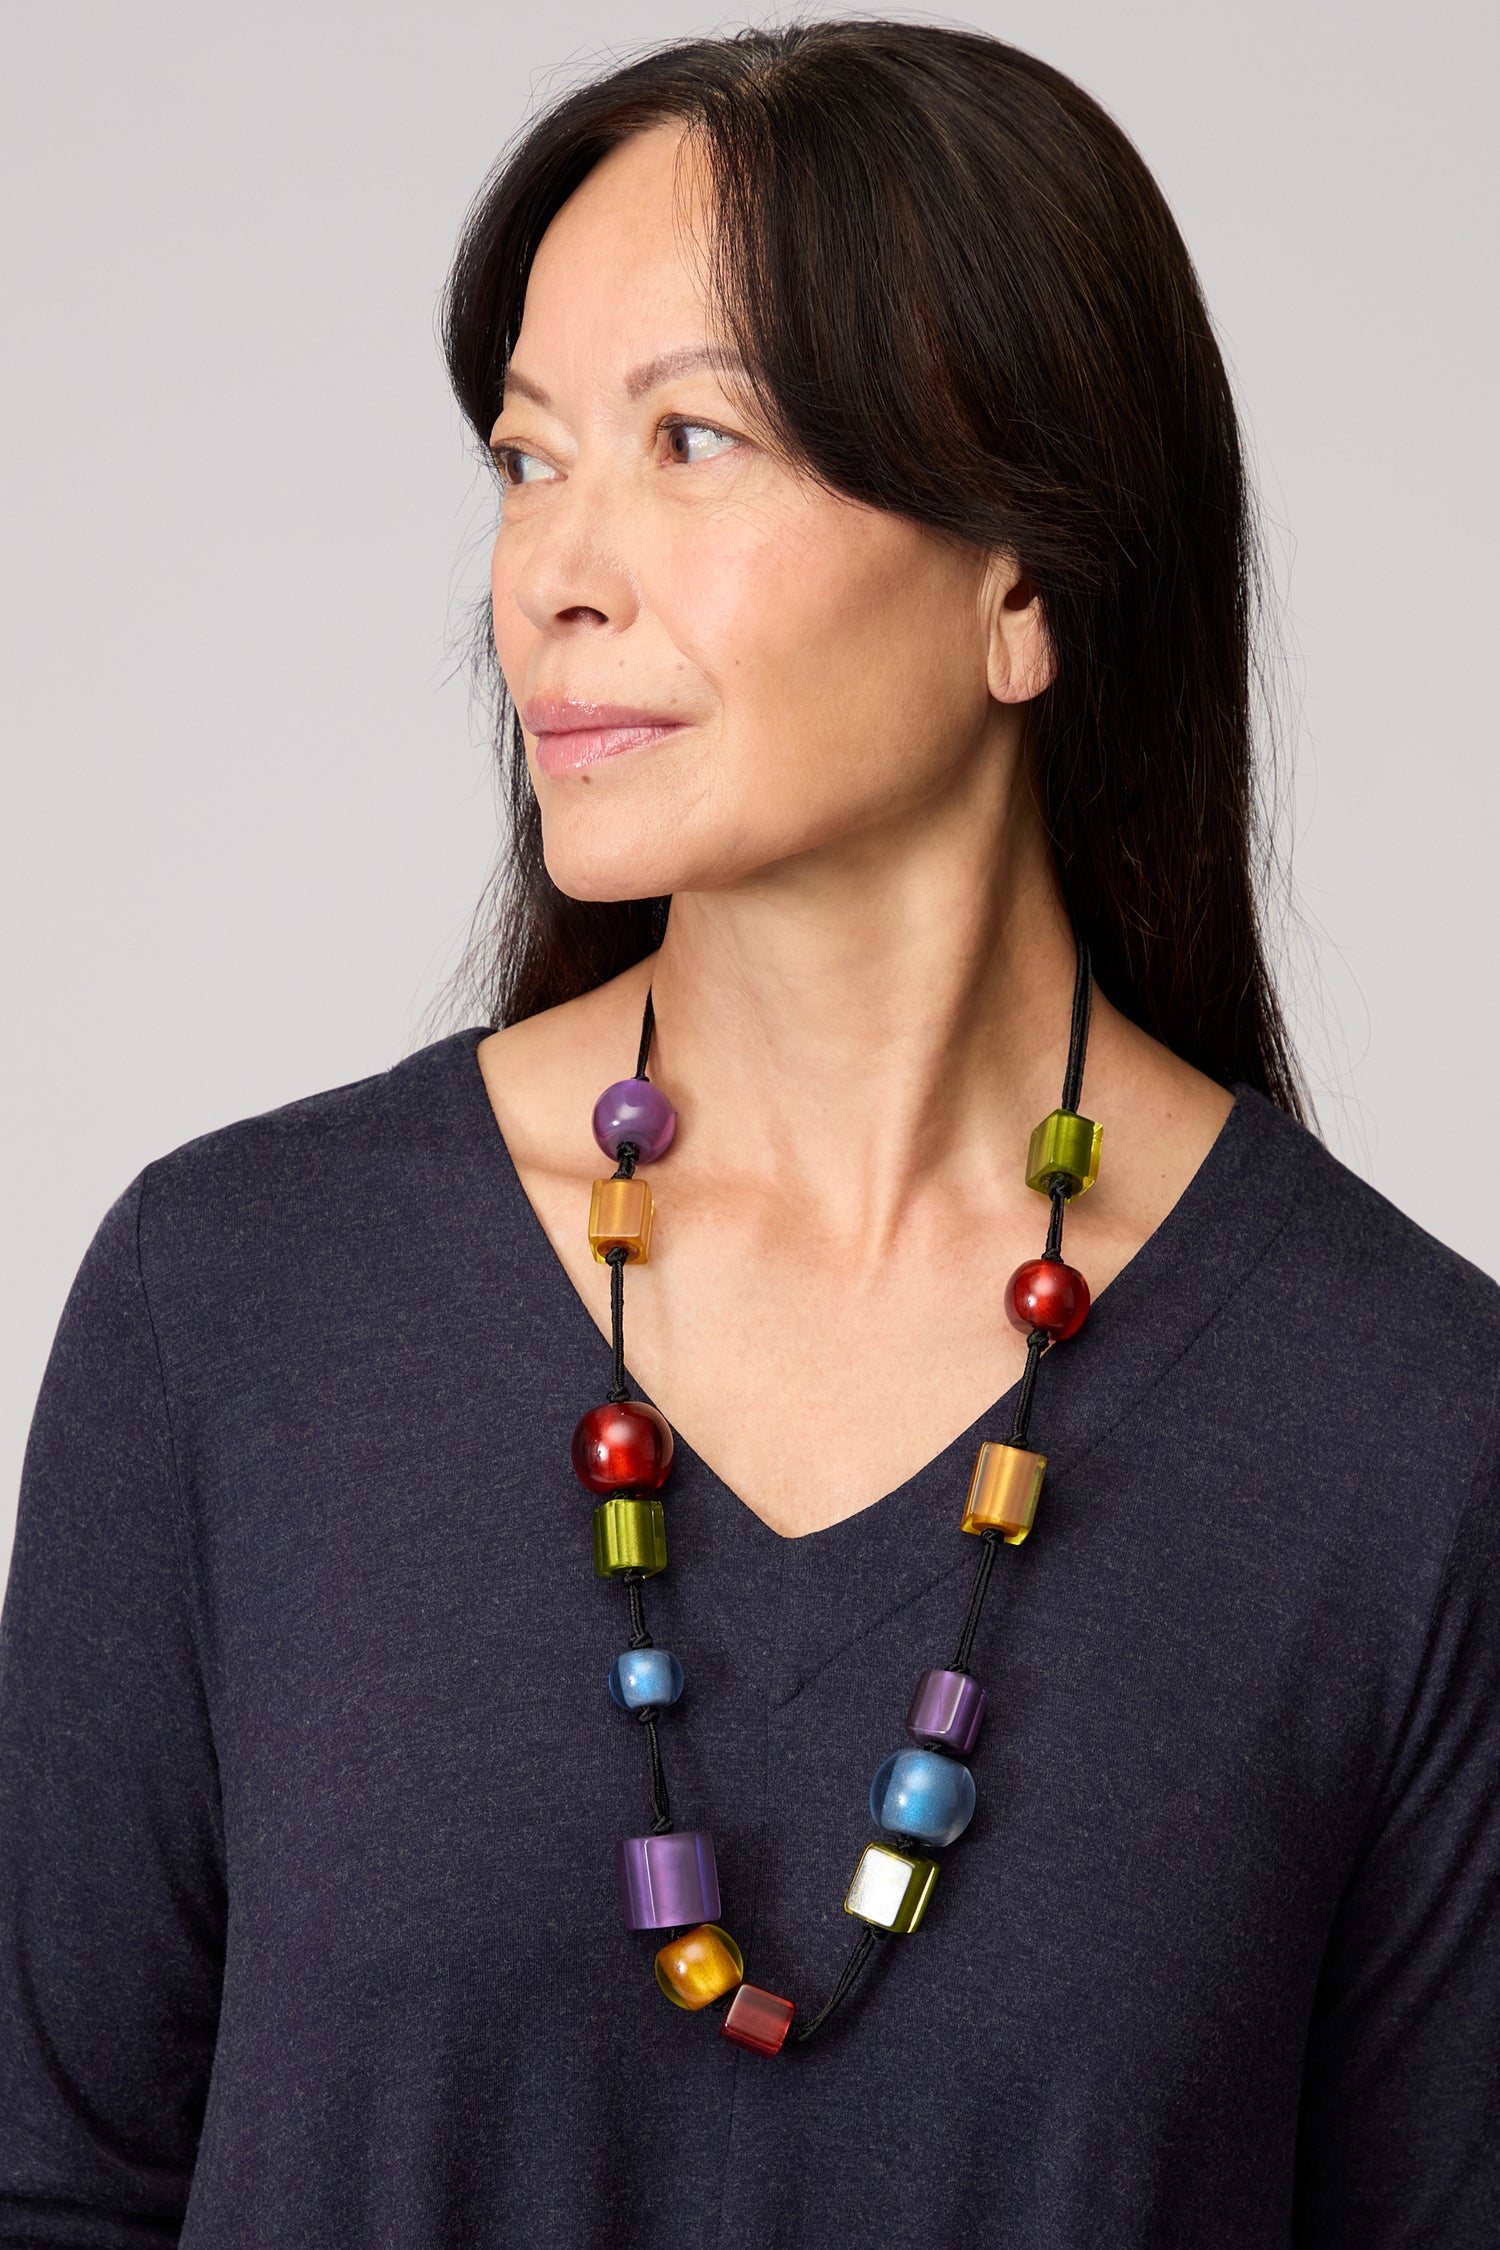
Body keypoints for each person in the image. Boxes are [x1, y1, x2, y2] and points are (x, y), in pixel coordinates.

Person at [2, 21, 1496, 2249]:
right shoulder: (229, 1312)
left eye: (690, 439)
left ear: (1023, 580)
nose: (551, 577)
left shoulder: (1406, 1431)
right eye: (527, 461)